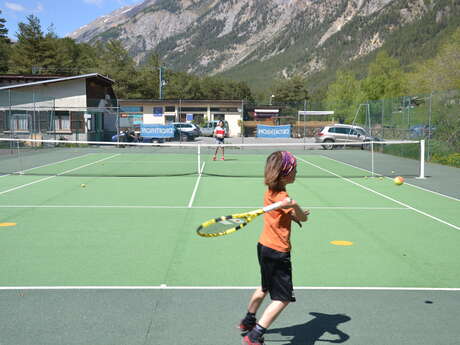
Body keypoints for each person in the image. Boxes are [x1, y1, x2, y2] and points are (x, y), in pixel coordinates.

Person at [240, 151, 310, 345]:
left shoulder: (269, 192)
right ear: (285, 174)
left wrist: (292, 214)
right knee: (283, 298)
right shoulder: (283, 196)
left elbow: (279, 213)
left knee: (264, 287)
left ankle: (248, 320)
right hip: (278, 251)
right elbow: (304, 217)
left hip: (263, 246)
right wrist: (295, 207)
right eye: (294, 169)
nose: (297, 171)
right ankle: (254, 335)